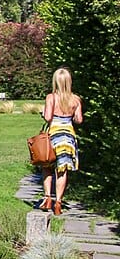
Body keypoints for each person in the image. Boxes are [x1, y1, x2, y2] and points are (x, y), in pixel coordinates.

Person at [40, 67, 82, 215]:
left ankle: (47, 198)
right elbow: (79, 119)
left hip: (54, 136)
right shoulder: (75, 99)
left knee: (47, 166)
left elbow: (48, 117)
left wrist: (43, 112)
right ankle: (58, 202)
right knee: (62, 170)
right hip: (68, 137)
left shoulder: (51, 97)